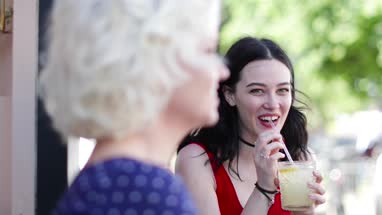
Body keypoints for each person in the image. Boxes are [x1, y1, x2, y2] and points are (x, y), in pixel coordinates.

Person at [39, 0, 228, 214]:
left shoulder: (114, 181)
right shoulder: (148, 192)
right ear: (156, 63)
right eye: (208, 51)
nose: (222, 71)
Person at [176, 37, 326, 215]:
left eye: (282, 90)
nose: (272, 103)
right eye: (257, 91)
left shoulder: (298, 157)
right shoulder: (196, 160)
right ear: (230, 95)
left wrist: (305, 212)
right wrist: (264, 188)